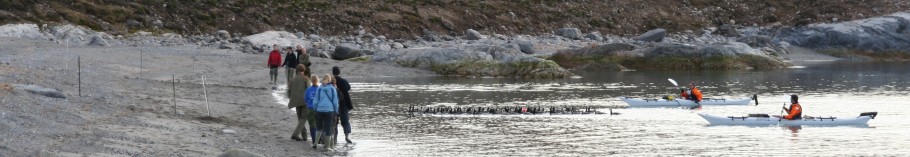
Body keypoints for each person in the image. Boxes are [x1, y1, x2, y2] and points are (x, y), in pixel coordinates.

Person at [313, 74, 339, 150]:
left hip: (320, 110)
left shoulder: (319, 89)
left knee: (319, 127)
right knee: (328, 128)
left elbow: (315, 101)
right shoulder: (332, 89)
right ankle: (327, 147)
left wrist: (315, 109)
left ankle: (315, 143)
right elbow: (335, 102)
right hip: (329, 110)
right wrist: (336, 111)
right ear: (329, 80)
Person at [287, 65, 310, 142]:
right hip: (304, 101)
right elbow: (309, 91)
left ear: (297, 70)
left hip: (295, 101)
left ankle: (304, 136)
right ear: (303, 70)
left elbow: (289, 91)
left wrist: (291, 99)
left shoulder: (292, 79)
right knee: (303, 118)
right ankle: (295, 134)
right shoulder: (305, 79)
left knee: (300, 119)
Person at [332, 66, 354, 143]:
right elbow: (348, 88)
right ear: (339, 72)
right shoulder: (344, 81)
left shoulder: (331, 81)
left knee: (335, 121)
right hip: (344, 103)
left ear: (333, 72)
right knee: (345, 120)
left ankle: (335, 138)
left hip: (334, 104)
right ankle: (346, 136)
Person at [304, 76, 321, 148]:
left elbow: (305, 99)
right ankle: (318, 139)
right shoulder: (320, 89)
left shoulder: (308, 89)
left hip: (310, 108)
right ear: (317, 80)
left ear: (311, 81)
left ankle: (314, 140)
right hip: (319, 109)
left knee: (312, 125)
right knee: (319, 124)